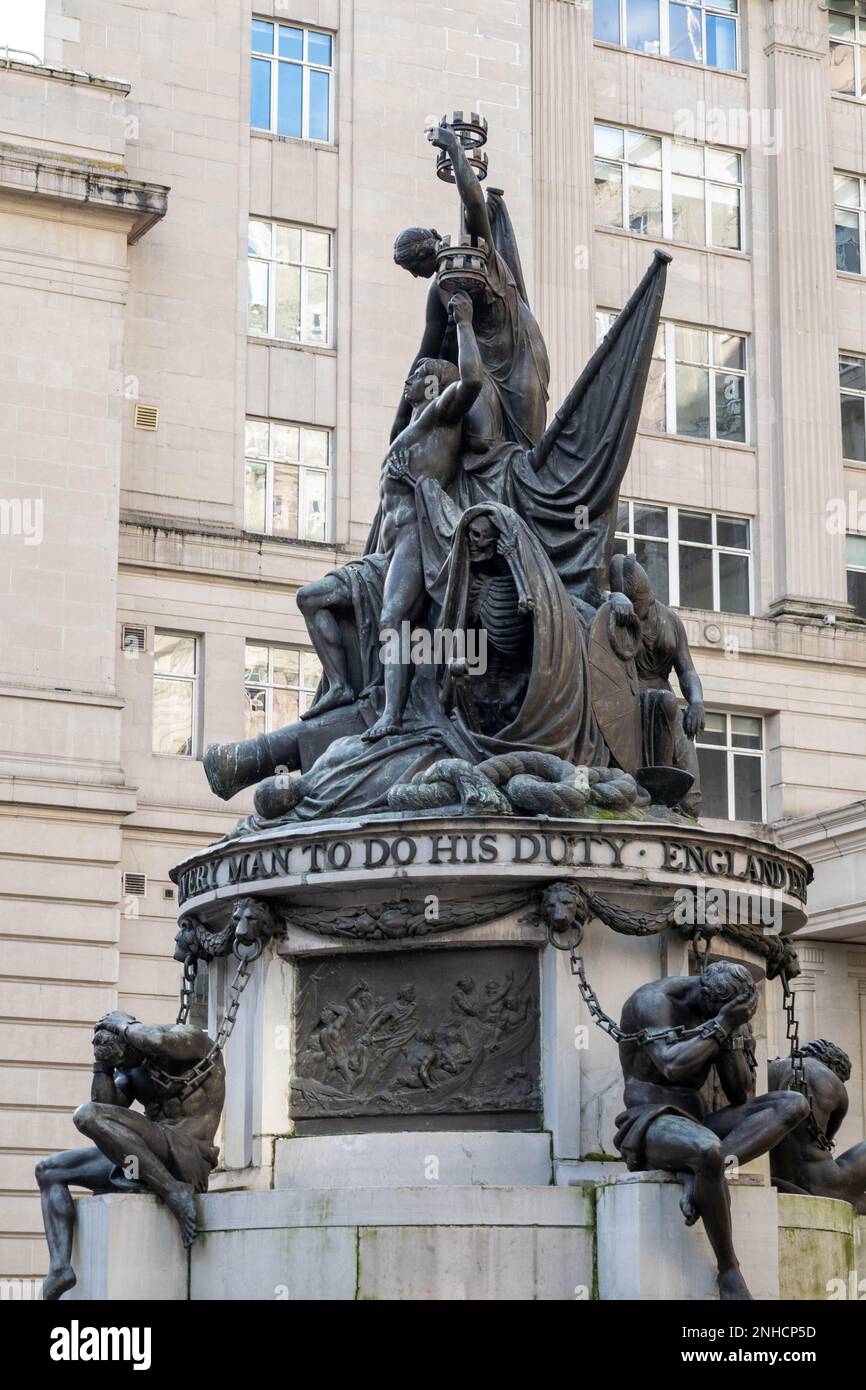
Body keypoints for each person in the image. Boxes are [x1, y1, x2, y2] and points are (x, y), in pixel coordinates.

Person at [614, 960, 809, 1300]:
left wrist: (733, 1033)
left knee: (793, 1104)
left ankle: (707, 1176)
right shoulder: (655, 1001)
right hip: (649, 1119)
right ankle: (729, 1269)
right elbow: (672, 1066)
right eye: (720, 1012)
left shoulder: (728, 1016)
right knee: (707, 1150)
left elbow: (739, 1094)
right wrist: (722, 1023)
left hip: (699, 1121)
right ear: (704, 994)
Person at [361, 289, 483, 741]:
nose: (408, 379)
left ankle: (392, 715)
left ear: (431, 384)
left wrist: (465, 322)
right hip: (389, 545)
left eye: (416, 374)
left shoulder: (436, 416)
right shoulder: (408, 429)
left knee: (394, 620)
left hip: (416, 536)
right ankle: (360, 697)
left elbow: (470, 382)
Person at [35, 1010, 223, 1300]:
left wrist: (122, 1025)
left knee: (85, 1115)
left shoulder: (192, 1041)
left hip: (188, 1155)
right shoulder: (133, 1070)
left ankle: (173, 1191)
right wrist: (102, 1066)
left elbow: (158, 1040)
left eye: (123, 1061)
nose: (124, 1069)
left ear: (133, 1040)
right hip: (149, 1157)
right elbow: (104, 1109)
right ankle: (60, 1268)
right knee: (49, 1170)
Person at [610, 553, 704, 813]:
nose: (641, 607)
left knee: (692, 802)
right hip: (627, 699)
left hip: (667, 701)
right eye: (635, 602)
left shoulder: (669, 619)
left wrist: (696, 702)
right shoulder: (614, 616)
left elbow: (686, 670)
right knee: (663, 700)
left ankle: (673, 805)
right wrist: (612, 602)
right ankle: (656, 796)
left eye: (641, 600)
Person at [769, 1040, 866, 1212]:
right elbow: (825, 1139)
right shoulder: (830, 1081)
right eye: (842, 1078)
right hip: (824, 1186)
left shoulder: (768, 1070)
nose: (841, 1083)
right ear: (834, 1064)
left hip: (777, 1178)